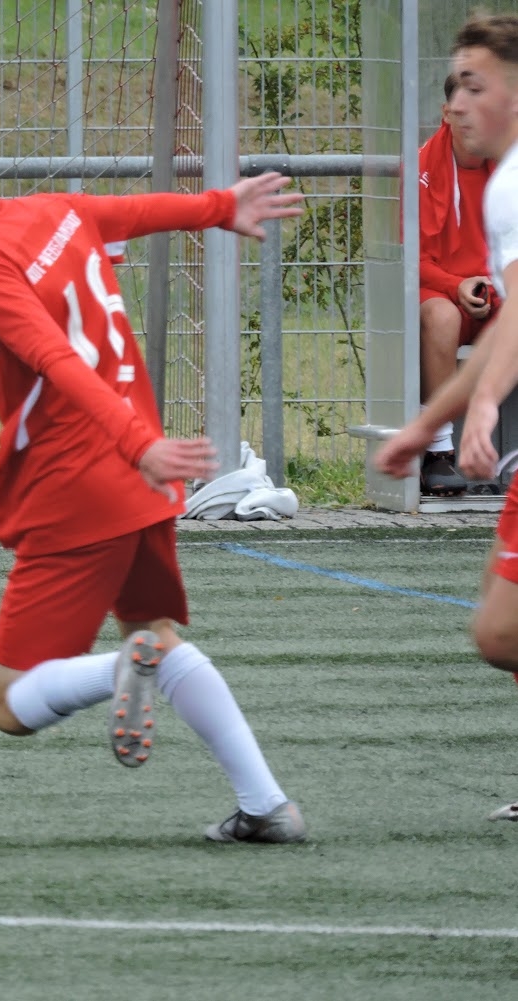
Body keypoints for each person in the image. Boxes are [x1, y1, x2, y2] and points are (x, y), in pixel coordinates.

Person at [0, 106, 308, 843]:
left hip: (81, 483)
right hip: (142, 482)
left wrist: (135, 443)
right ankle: (267, 805)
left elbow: (54, 359)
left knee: (10, 703)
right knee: (156, 634)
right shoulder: (54, 210)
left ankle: (120, 671)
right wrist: (220, 206)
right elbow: (134, 212)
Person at [375, 13, 518, 823]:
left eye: (474, 85)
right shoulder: (501, 184)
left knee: (501, 630)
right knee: (500, 630)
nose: (456, 103)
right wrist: (434, 420)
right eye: (452, 86)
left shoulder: (510, 183)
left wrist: (481, 401)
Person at [418, 72, 498, 496]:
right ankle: (438, 451)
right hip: (437, 292)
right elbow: (410, 261)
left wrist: (493, 287)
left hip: (494, 292)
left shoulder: (509, 170)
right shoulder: (419, 168)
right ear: (447, 113)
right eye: (464, 110)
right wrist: (457, 286)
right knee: (442, 316)